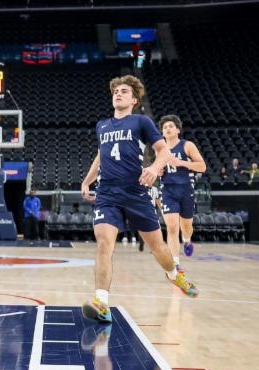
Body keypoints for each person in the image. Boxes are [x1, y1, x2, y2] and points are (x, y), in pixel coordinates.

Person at [79, 76, 198, 324]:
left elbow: (163, 151)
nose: (118, 94)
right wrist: (87, 180)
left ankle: (174, 273)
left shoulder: (141, 121)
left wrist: (154, 169)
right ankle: (101, 302)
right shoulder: (102, 125)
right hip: (108, 193)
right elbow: (100, 155)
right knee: (103, 243)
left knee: (158, 248)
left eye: (124, 91)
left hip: (136, 191)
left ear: (134, 99)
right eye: (116, 91)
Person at [157, 115, 207, 269]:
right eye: (165, 127)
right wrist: (158, 171)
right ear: (162, 133)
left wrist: (181, 162)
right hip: (168, 190)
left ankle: (187, 240)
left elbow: (202, 166)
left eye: (171, 126)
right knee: (172, 227)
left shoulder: (187, 145)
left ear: (178, 130)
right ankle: (175, 263)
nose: (168, 129)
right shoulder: (160, 150)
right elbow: (159, 170)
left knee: (186, 226)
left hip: (186, 189)